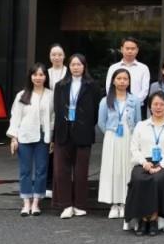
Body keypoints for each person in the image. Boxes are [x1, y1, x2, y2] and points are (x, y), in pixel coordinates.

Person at [125, 91, 164, 236]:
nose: (158, 107)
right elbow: (134, 148)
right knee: (139, 178)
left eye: (162, 104)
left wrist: (161, 165)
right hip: (143, 162)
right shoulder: (141, 125)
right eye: (155, 104)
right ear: (150, 106)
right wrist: (144, 162)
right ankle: (143, 218)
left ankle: (154, 219)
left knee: (158, 179)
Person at [52, 54, 102, 219]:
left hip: (83, 132)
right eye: (73, 64)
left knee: (81, 171)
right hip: (63, 132)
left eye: (79, 64)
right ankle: (66, 205)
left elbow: (95, 111)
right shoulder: (60, 85)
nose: (76, 67)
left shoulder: (92, 86)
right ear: (69, 66)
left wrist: (85, 124)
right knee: (61, 170)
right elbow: (57, 109)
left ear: (84, 66)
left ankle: (80, 205)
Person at [7, 63, 54, 216]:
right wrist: (14, 138)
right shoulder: (22, 95)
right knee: (25, 171)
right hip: (24, 136)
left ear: (45, 77)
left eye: (41, 74)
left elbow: (54, 117)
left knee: (41, 170)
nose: (38, 77)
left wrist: (52, 138)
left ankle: (36, 203)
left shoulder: (51, 95)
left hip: (43, 137)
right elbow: (15, 117)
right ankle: (26, 202)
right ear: (30, 76)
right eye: (35, 74)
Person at [98, 68, 142, 219]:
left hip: (130, 136)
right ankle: (114, 204)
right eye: (119, 78)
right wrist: (111, 133)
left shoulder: (135, 100)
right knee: (113, 169)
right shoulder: (105, 101)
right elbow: (101, 122)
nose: (122, 81)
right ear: (113, 81)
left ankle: (124, 203)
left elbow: (138, 121)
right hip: (112, 138)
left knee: (127, 168)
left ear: (129, 82)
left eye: (125, 79)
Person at [45, 44, 67, 198]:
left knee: (62, 149)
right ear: (50, 56)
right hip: (48, 113)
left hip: (65, 114)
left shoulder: (69, 72)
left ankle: (62, 184)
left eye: (59, 54)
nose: (57, 57)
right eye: (54, 54)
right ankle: (48, 184)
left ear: (64, 56)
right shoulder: (45, 73)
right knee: (49, 149)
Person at [105, 36, 150, 104]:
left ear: (137, 50)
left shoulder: (143, 68)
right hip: (116, 105)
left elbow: (145, 90)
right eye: (127, 48)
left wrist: (133, 102)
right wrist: (119, 102)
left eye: (133, 49)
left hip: (137, 105)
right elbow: (109, 87)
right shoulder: (113, 68)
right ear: (122, 49)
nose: (130, 51)